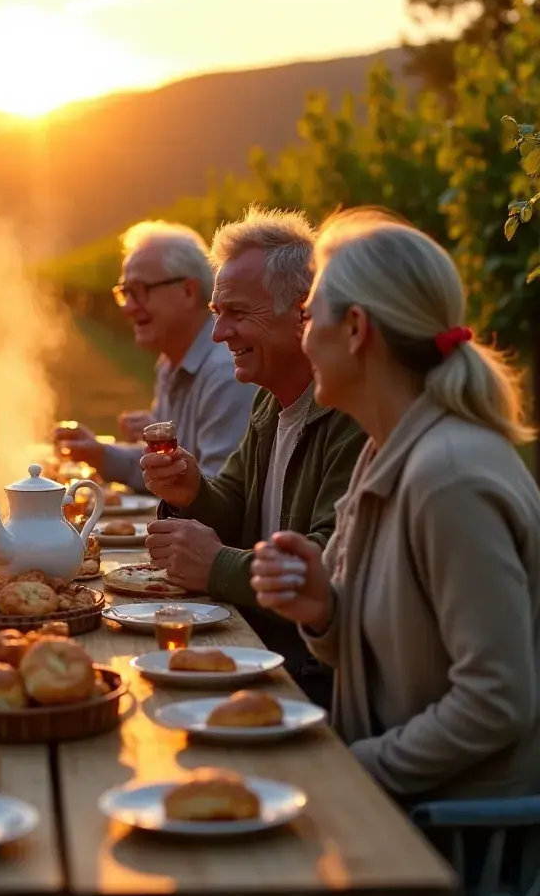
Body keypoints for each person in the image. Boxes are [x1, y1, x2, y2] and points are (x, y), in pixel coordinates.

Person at [250, 211, 540, 804]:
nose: (304, 338)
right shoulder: (389, 450)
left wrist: (354, 771)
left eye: (308, 318)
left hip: (461, 844)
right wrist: (324, 607)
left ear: (355, 329)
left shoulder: (449, 478)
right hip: (407, 806)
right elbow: (398, 646)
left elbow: (496, 699)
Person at [140, 206, 365, 707]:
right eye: (219, 315)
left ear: (303, 312)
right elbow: (240, 503)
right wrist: (192, 491)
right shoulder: (271, 396)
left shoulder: (352, 416)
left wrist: (218, 566)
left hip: (311, 679)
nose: (219, 335)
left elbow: (329, 562)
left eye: (238, 314)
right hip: (265, 650)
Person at [55, 220, 254, 486]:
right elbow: (162, 466)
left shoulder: (225, 371)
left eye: (139, 291)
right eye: (125, 293)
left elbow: (216, 493)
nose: (127, 308)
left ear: (188, 291)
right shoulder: (170, 363)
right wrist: (98, 454)